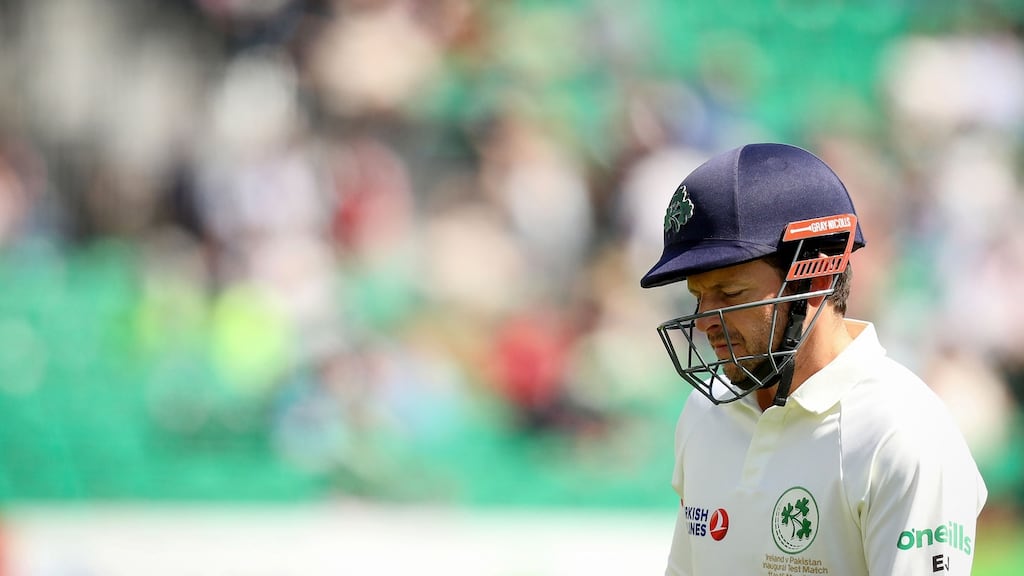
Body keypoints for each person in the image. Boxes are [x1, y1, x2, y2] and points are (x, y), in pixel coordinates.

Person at [640, 143, 987, 575]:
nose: (705, 320)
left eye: (729, 293)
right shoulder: (705, 413)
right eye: (697, 296)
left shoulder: (901, 433)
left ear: (816, 274)